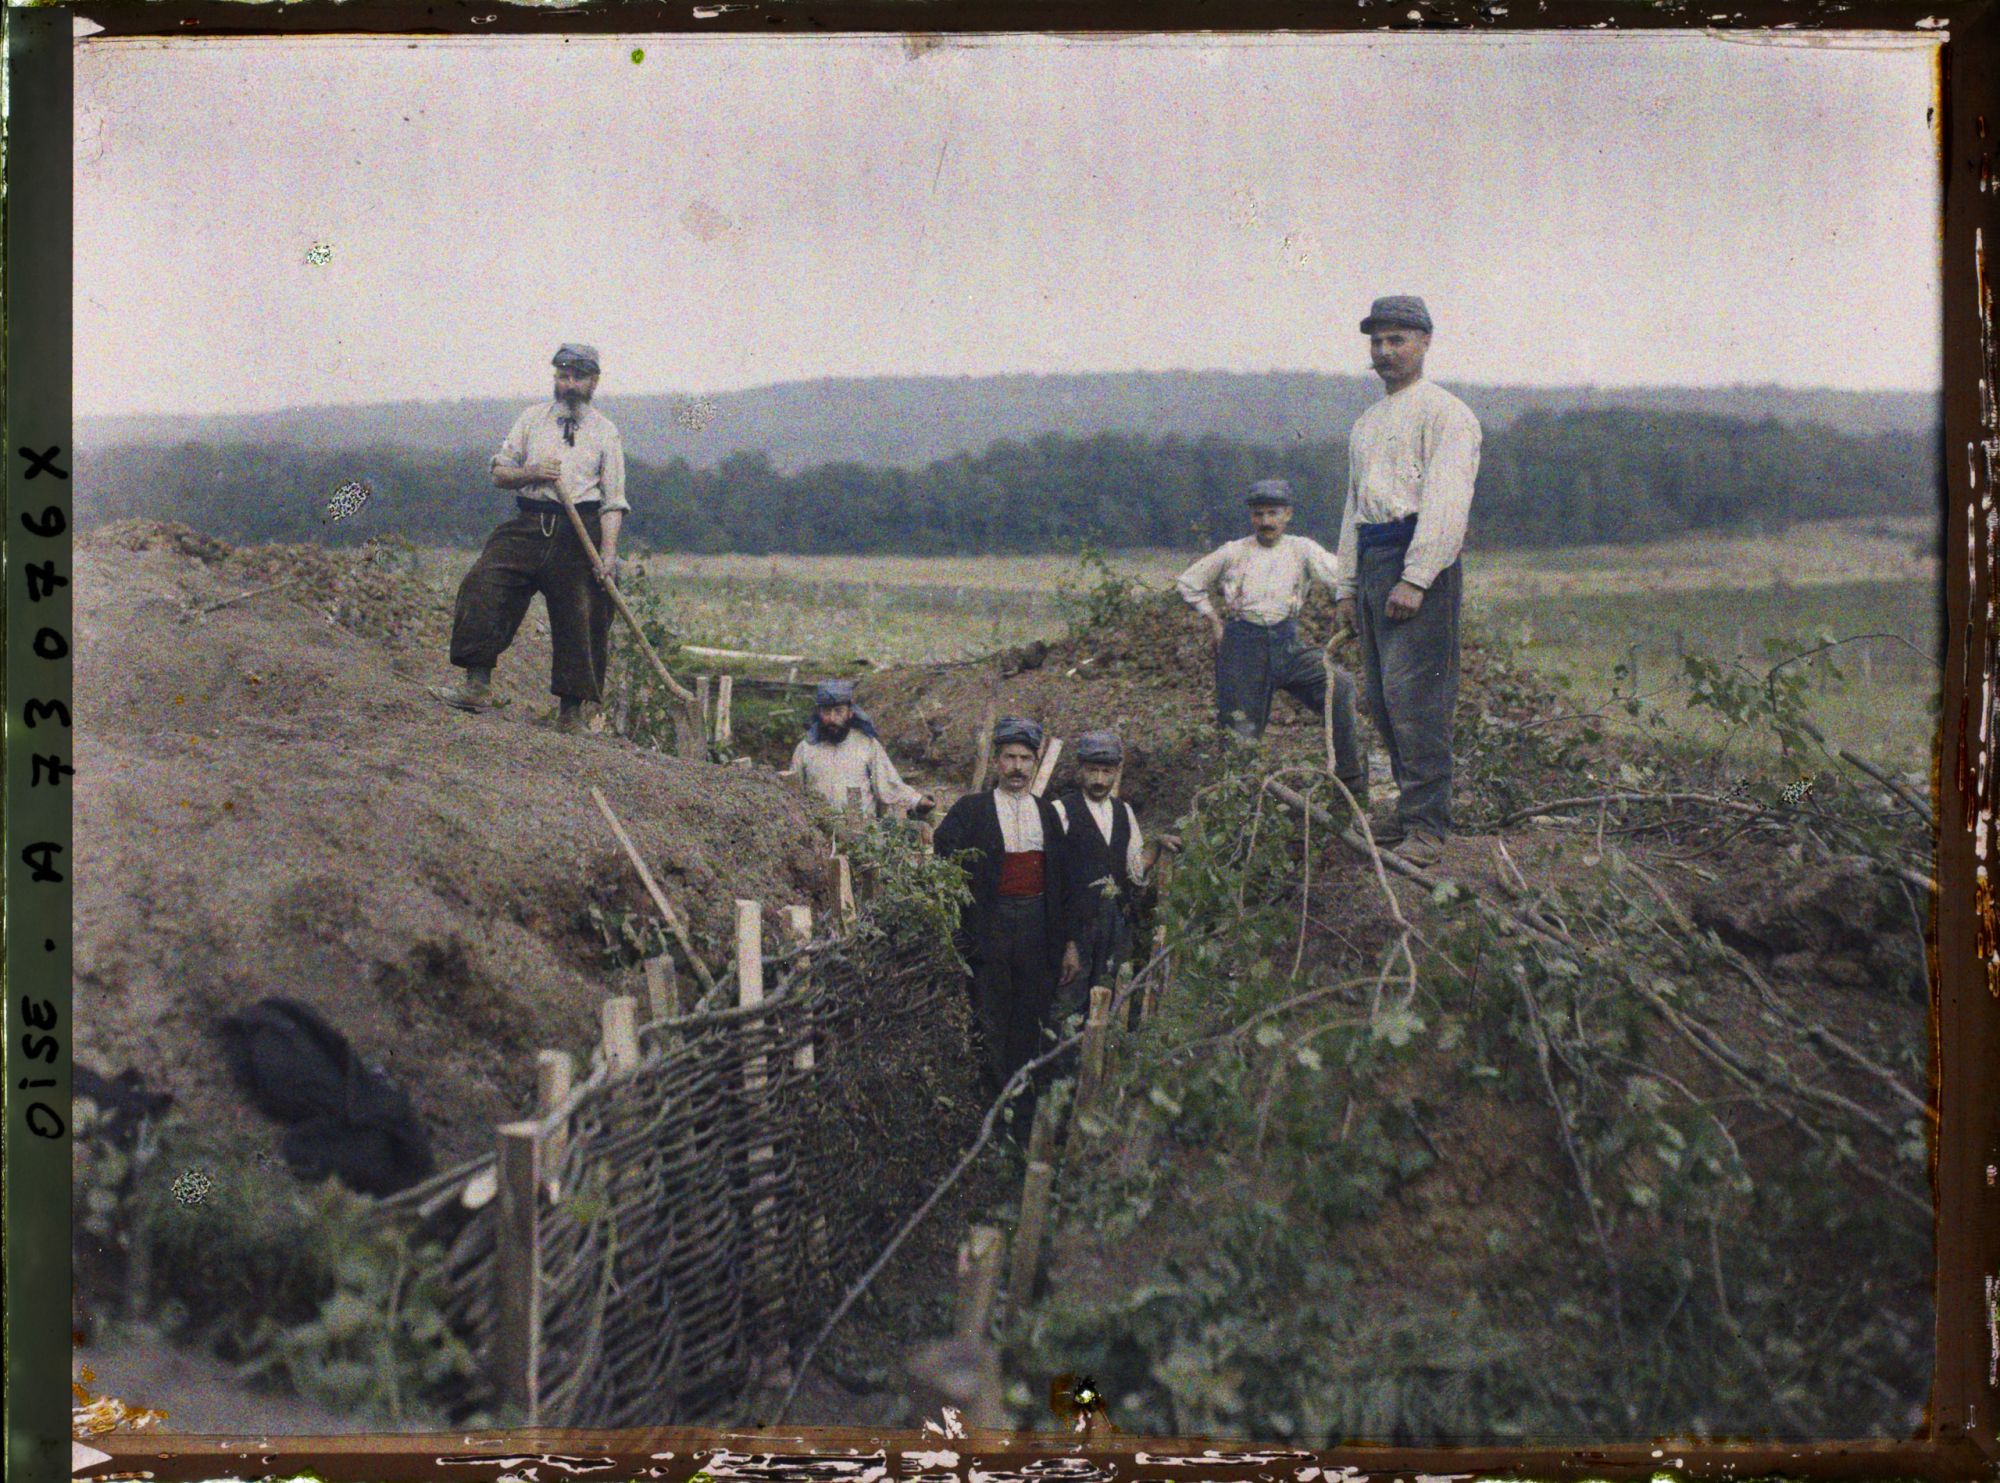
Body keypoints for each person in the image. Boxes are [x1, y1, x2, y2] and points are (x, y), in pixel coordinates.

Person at [1333, 296, 1483, 868]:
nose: (1384, 351)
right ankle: (1407, 809)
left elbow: (1447, 503)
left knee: (1416, 697)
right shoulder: (1366, 424)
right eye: (1377, 341)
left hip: (1419, 562)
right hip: (1374, 559)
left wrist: (1417, 577)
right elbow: (1354, 509)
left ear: (1424, 343)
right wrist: (1347, 587)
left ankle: (1428, 824)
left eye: (1397, 340)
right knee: (1380, 697)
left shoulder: (1447, 414)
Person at [433, 343, 628, 734]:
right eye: (563, 376)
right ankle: (476, 685)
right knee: (483, 583)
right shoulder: (531, 420)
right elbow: (500, 473)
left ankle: (571, 715)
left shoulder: (606, 432)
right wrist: (532, 472)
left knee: (583, 612)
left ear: (593, 382)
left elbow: (613, 503)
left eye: (578, 378)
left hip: (579, 531)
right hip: (529, 523)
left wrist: (608, 555)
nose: (569, 384)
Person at [1173, 477, 1368, 800]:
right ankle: (1239, 804)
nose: (1265, 521)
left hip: (1287, 643)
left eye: (1273, 513)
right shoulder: (1234, 552)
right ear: (1251, 516)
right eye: (1259, 514)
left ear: (1287, 514)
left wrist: (1355, 601)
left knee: (1340, 686)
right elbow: (1188, 582)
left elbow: (1343, 577)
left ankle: (1349, 785)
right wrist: (1213, 620)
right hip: (1242, 648)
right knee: (1240, 734)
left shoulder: (1302, 549)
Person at [931, 718, 1081, 1101]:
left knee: (1031, 1012)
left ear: (1035, 763)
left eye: (1025, 759)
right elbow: (944, 852)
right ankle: (992, 1099)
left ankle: (1023, 1097)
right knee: (990, 1011)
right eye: (1010, 758)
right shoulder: (972, 810)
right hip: (990, 925)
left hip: (1037, 924)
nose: (1017, 767)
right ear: (997, 761)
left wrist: (1069, 942)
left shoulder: (1047, 813)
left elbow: (1063, 882)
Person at [1051, 731, 1176, 1029]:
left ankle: (1100, 1054)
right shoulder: (1060, 811)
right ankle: (1064, 1056)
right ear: (1080, 770)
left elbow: (1134, 869)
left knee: (1109, 996)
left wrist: (1156, 845)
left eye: (1106, 772)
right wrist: (1067, 943)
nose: (1099, 780)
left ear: (1117, 772)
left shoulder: (1124, 812)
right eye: (1092, 770)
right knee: (1069, 1004)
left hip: (1115, 923)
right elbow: (1053, 883)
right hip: (1076, 926)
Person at [782, 679, 934, 818]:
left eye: (839, 711)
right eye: (826, 712)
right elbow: (793, 793)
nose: (832, 718)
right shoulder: (805, 748)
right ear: (819, 713)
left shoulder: (866, 744)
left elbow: (888, 784)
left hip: (861, 831)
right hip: (818, 830)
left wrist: (916, 801)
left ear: (850, 713)